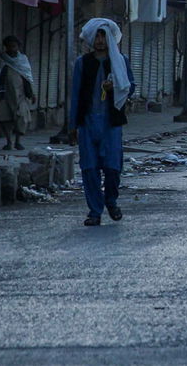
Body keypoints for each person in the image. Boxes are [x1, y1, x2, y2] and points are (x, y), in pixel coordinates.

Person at [70, 18, 135, 227]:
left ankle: (111, 201)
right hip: (88, 122)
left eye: (103, 36)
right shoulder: (82, 62)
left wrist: (114, 87)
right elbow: (76, 94)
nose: (99, 41)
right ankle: (94, 211)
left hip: (111, 122)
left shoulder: (120, 61)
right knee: (89, 168)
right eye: (96, 36)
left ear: (109, 38)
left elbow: (130, 87)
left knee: (112, 167)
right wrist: (73, 125)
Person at [0, 35, 35, 150]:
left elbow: (27, 77)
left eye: (14, 46)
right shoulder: (1, 60)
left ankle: (18, 142)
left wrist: (31, 93)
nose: (12, 49)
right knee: (5, 119)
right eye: (9, 46)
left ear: (18, 47)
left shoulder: (23, 60)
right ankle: (9, 142)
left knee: (22, 118)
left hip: (20, 95)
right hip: (4, 95)